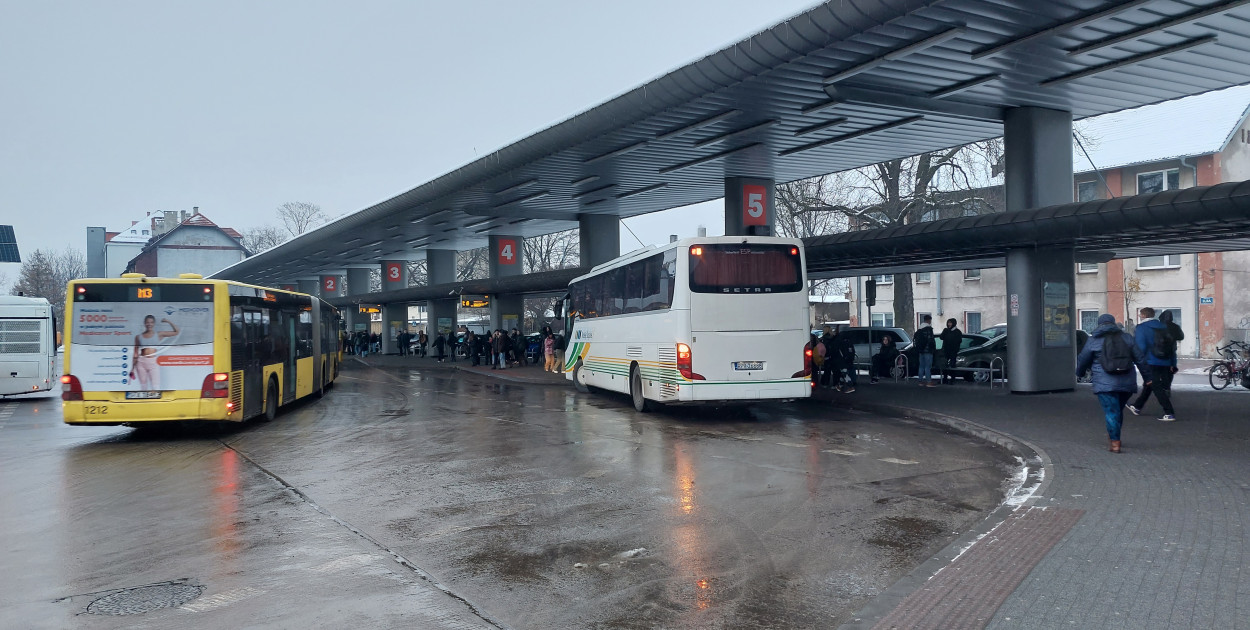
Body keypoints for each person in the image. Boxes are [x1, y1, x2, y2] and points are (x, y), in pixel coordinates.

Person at [1076, 313, 1151, 453]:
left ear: (1099, 324)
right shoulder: (1127, 338)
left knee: (1111, 411)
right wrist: (1148, 377)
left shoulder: (1094, 340)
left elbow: (1083, 359)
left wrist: (1079, 373)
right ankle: (1114, 436)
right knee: (1117, 410)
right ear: (1113, 323)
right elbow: (1140, 358)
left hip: (1104, 383)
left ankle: (1115, 442)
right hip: (1126, 382)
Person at [1127, 308, 1184, 421]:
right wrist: (1172, 363)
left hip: (1151, 361)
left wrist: (1136, 360)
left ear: (1143, 315)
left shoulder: (1142, 328)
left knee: (1156, 386)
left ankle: (1169, 412)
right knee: (1150, 384)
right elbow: (1172, 346)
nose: (1140, 316)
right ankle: (1137, 406)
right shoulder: (1164, 326)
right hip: (1166, 360)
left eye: (1140, 314)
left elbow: (1141, 347)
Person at [130, 315, 179, 390]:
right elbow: (135, 353)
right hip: (141, 362)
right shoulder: (138, 337)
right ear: (144, 323)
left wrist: (168, 321)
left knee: (155, 386)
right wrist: (132, 368)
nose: (149, 324)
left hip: (153, 362)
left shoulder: (159, 334)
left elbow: (176, 332)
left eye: (151, 322)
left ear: (154, 323)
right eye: (147, 322)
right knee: (143, 386)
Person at [831, 325, 857, 393]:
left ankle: (850, 386)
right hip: (849, 358)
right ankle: (840, 386)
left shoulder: (839, 338)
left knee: (844, 373)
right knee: (843, 372)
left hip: (841, 359)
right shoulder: (849, 339)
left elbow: (835, 349)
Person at [913, 315, 937, 387]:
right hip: (928, 350)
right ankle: (929, 382)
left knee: (921, 366)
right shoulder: (928, 329)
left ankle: (920, 381)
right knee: (928, 366)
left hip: (921, 350)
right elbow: (930, 340)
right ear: (929, 320)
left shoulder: (919, 329)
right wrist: (933, 348)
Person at [938, 318, 963, 385]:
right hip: (945, 351)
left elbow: (959, 341)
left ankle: (952, 379)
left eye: (950, 323)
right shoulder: (946, 330)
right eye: (948, 323)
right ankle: (945, 378)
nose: (949, 324)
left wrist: (955, 348)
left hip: (953, 351)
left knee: (952, 365)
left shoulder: (957, 332)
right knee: (944, 365)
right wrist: (945, 331)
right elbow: (941, 337)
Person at [819, 324, 837, 389]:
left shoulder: (824, 339)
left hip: (827, 357)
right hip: (834, 356)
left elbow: (822, 348)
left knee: (827, 371)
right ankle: (835, 384)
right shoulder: (834, 337)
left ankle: (825, 383)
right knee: (835, 371)